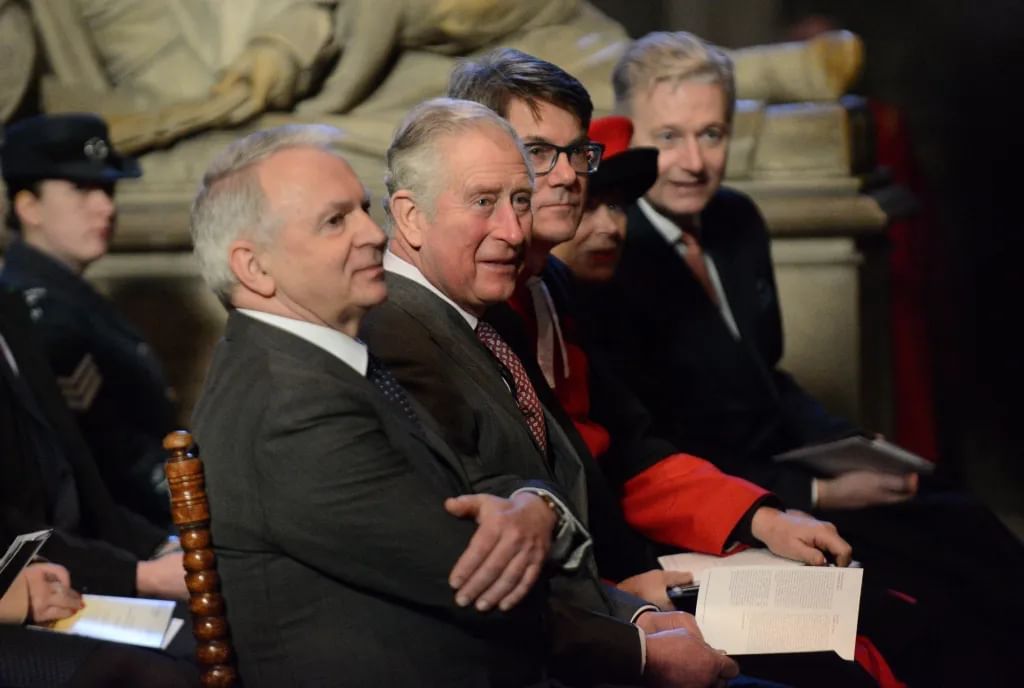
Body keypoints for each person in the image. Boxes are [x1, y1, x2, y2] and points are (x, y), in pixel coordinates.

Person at [359, 97, 882, 688]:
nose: (515, 224)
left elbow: (615, 449)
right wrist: (628, 614)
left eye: (521, 198)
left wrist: (759, 517)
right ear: (407, 215)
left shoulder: (507, 299)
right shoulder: (400, 331)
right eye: (487, 199)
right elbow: (463, 560)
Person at [187, 121, 730, 687]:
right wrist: (644, 652)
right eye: (334, 221)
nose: (372, 235)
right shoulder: (291, 405)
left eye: (361, 210)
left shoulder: (325, 365)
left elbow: (486, 493)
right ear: (253, 266)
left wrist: (529, 504)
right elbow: (477, 583)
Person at [576, 30, 1022, 685]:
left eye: (713, 134)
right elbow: (653, 446)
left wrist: (843, 443)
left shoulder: (735, 221)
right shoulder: (609, 253)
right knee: (927, 602)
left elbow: (769, 378)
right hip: (733, 499)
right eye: (668, 137)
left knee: (964, 521)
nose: (694, 161)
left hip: (783, 468)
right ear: (629, 135)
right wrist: (813, 490)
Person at [1, 112, 176, 528]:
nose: (106, 206)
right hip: (119, 537)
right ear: (29, 206)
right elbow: (102, 452)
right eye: (81, 189)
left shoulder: (72, 296)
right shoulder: (37, 313)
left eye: (108, 189)